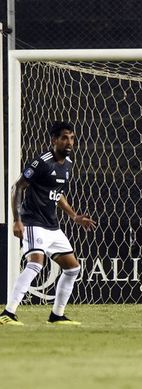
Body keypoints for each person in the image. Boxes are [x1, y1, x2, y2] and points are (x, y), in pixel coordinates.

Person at [0, 121, 96, 326]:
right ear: (54, 140)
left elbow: (57, 194)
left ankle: (57, 315)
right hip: (33, 222)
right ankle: (7, 313)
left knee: (73, 269)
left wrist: (74, 216)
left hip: (52, 225)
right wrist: (17, 220)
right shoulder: (42, 162)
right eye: (64, 138)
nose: (69, 142)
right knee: (35, 263)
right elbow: (16, 188)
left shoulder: (68, 163)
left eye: (71, 137)